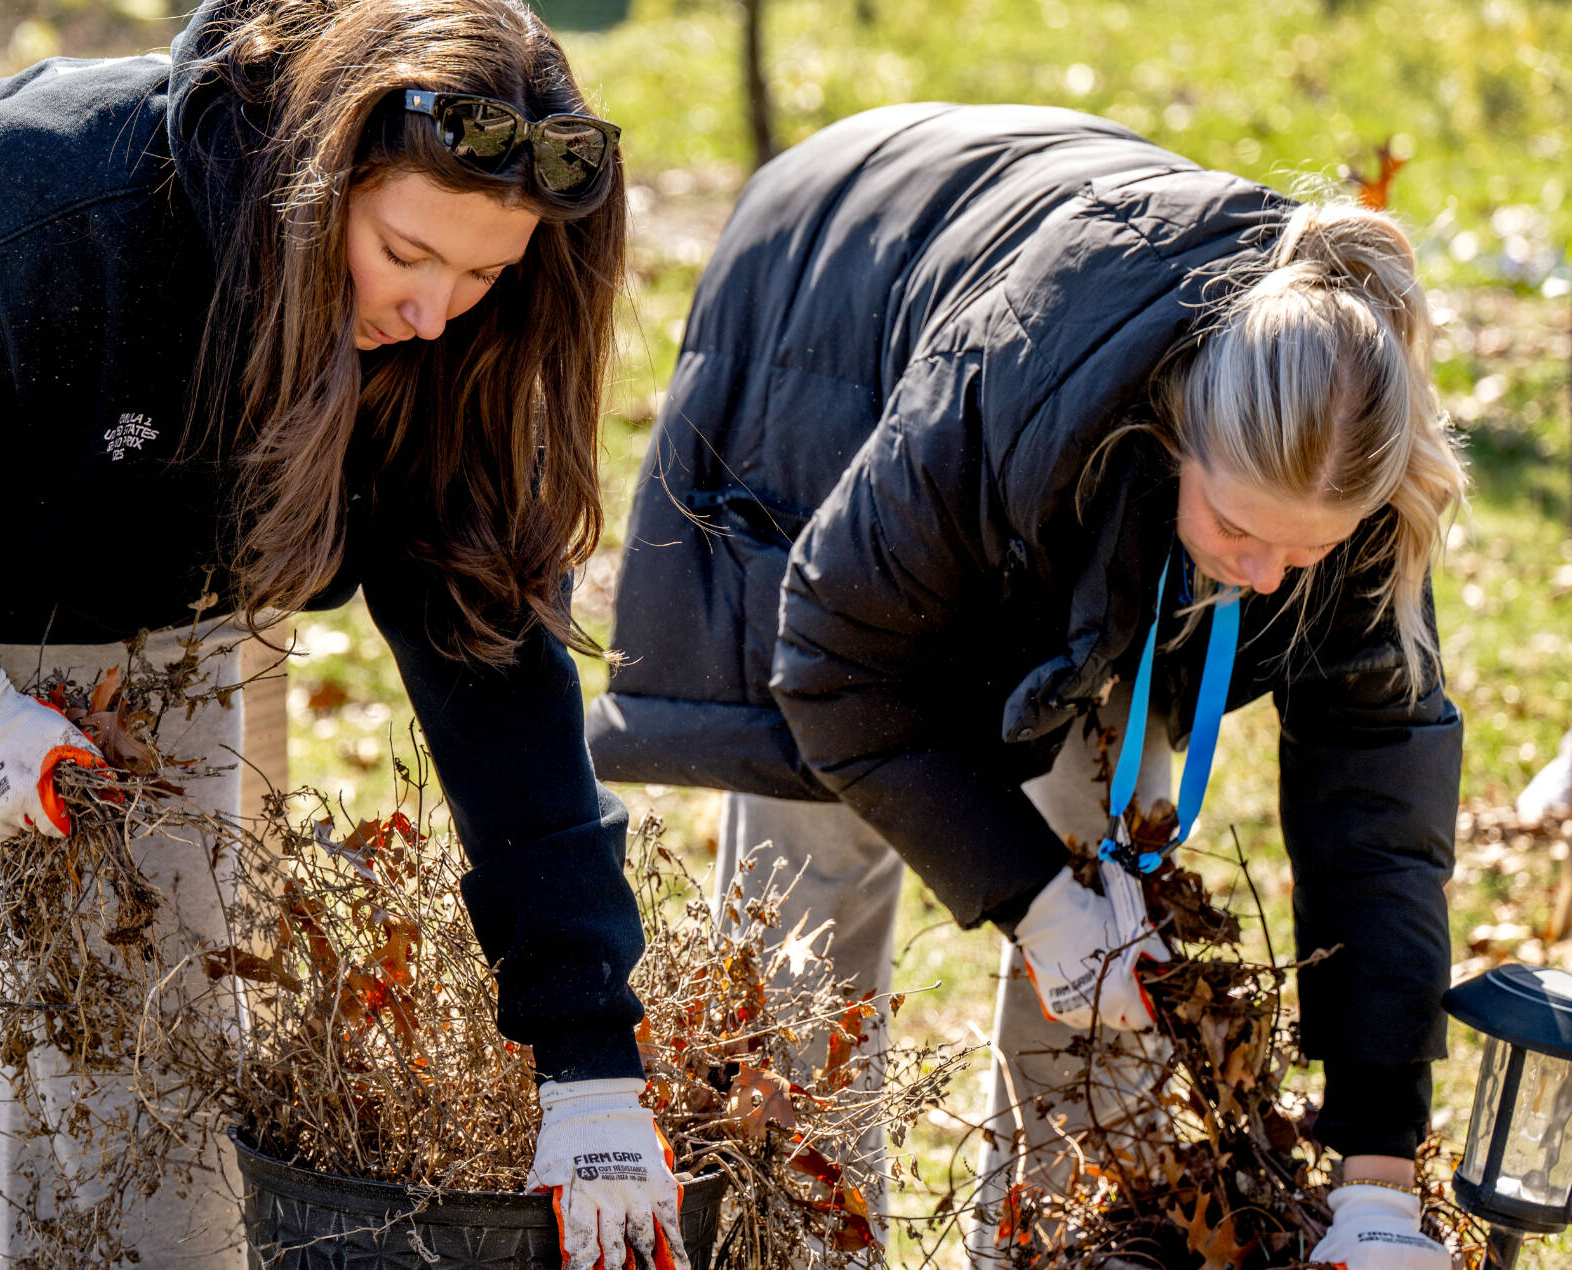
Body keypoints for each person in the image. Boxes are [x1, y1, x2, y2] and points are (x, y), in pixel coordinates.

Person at [0, 2, 686, 1267]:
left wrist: (589, 1061)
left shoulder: (444, 353)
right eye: (408, 252)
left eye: (482, 274)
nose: (432, 309)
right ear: (315, 184)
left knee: (140, 1030)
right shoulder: (61, 209)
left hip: (132, 563)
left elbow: (493, 674)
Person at [589, 103, 1467, 1268]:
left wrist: (1375, 1180)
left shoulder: (1355, 475)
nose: (1261, 576)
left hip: (1067, 447)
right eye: (1239, 530)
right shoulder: (1010, 377)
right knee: (820, 852)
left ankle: (1043, 1245)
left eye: (1298, 554)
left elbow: (1377, 824)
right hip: (831, 307)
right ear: (1173, 433)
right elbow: (837, 671)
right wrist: (1028, 895)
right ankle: (792, 1242)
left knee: (1116, 897)